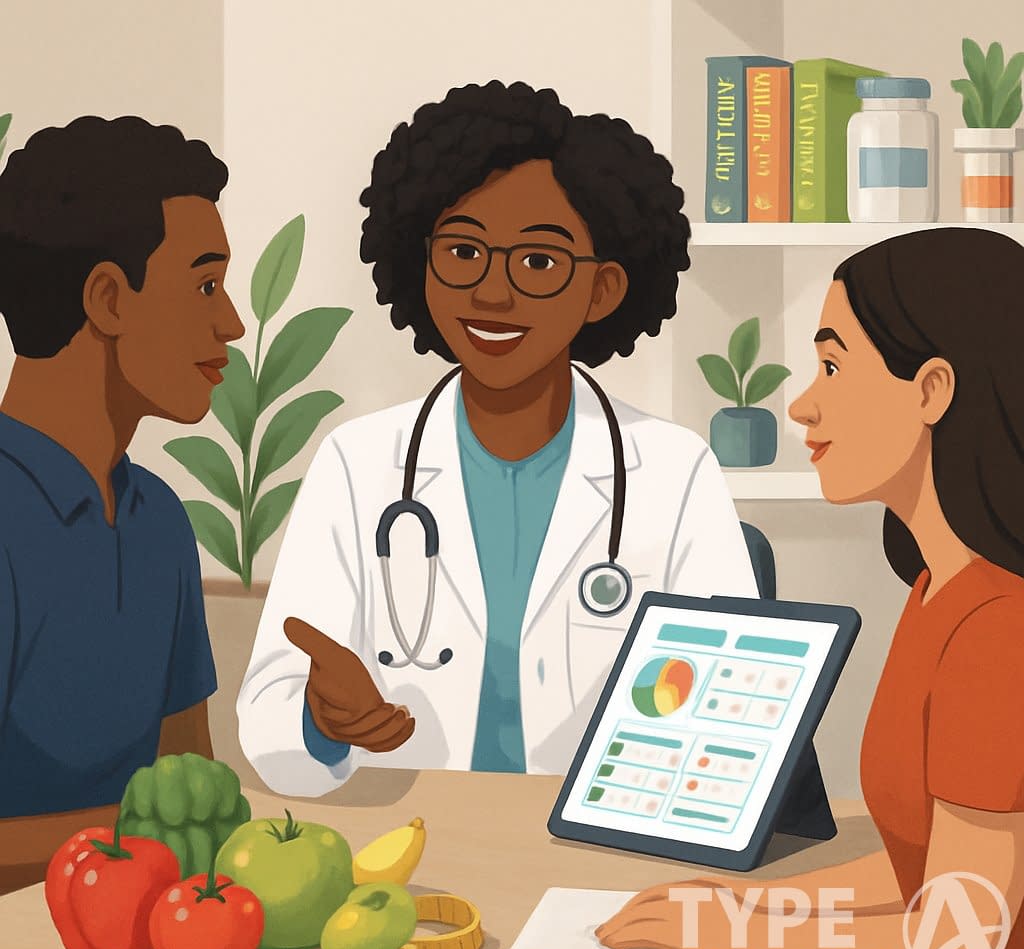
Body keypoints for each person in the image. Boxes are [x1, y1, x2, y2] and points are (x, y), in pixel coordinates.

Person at [237, 80, 758, 798]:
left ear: (603, 289)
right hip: (411, 836)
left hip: (606, 842)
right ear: (421, 265)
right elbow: (270, 726)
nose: (491, 293)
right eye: (463, 253)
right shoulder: (357, 467)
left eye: (538, 263)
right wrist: (325, 719)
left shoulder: (674, 472)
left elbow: (734, 715)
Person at [597, 227, 1024, 949]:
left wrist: (723, 936)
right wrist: (748, 904)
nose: (801, 402)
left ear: (931, 389)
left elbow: (953, 948)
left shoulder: (999, 632)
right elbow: (919, 871)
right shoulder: (937, 588)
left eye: (832, 365)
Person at [0, 116, 245, 891]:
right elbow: (184, 822)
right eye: (205, 285)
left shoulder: (159, 522)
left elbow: (191, 779)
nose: (232, 323)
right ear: (108, 298)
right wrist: (155, 840)